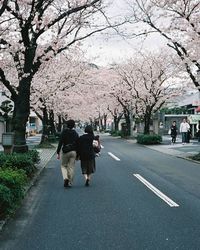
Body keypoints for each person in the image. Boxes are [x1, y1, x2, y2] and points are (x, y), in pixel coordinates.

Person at [56, 119, 79, 188]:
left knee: (63, 166)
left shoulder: (64, 132)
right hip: (73, 152)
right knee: (71, 167)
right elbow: (78, 143)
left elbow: (60, 142)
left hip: (65, 151)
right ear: (73, 125)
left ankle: (65, 178)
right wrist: (78, 153)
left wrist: (58, 152)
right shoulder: (75, 133)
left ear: (67, 125)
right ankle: (69, 182)